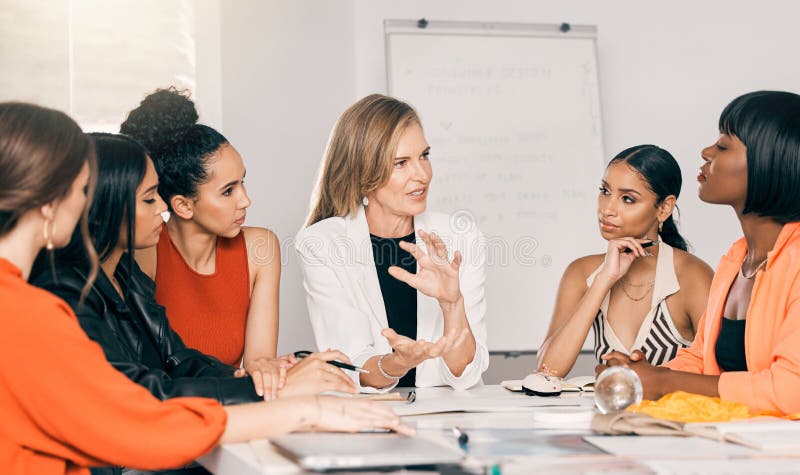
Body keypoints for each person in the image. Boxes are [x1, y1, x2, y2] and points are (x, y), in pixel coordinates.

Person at [0, 102, 411, 475]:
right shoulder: (31, 310)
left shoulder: (50, 294)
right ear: (50, 202)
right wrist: (302, 409)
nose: (86, 202)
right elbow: (140, 419)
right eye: (82, 188)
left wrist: (275, 384)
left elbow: (164, 374)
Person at [32, 133, 357, 404]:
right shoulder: (65, 288)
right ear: (104, 207)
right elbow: (142, 391)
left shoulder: (125, 276)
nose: (161, 207)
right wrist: (268, 389)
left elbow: (179, 358)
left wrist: (271, 375)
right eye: (149, 200)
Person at [599, 91, 800, 416]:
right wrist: (646, 375)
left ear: (770, 161)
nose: (706, 152)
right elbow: (704, 360)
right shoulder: (738, 259)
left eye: (723, 146)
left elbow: (791, 391)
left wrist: (665, 384)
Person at [296, 94, 488, 391]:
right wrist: (398, 362)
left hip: (448, 415)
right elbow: (352, 367)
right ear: (363, 174)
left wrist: (452, 304)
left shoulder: (461, 235)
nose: (422, 174)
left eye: (424, 155)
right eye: (401, 163)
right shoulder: (321, 244)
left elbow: (466, 374)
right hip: (372, 419)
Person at [120, 87, 279, 377]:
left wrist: (277, 373)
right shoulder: (144, 254)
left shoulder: (261, 248)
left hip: (235, 404)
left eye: (242, 183)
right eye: (228, 191)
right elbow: (149, 375)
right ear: (183, 205)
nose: (246, 200)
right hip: (171, 411)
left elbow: (260, 369)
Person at [539, 145, 713, 376]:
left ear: (664, 208)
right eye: (605, 191)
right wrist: (604, 280)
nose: (607, 209)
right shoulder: (582, 273)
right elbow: (547, 371)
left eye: (628, 199)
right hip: (609, 412)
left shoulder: (693, 276)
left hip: (673, 412)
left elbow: (719, 376)